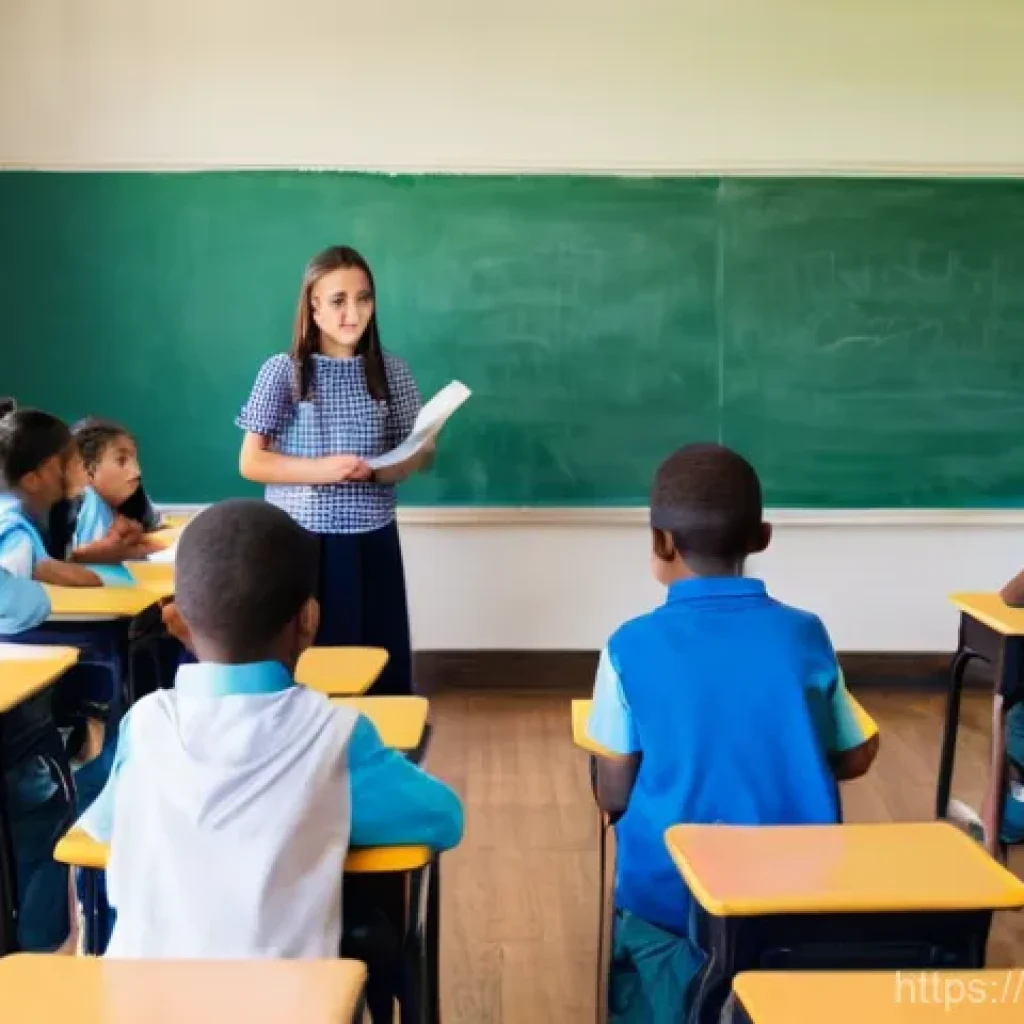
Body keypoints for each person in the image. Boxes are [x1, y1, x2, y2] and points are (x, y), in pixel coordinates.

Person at [76, 498, 462, 1011]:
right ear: (309, 620)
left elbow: (101, 827)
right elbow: (442, 818)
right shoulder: (335, 735)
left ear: (175, 622)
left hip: (140, 1007)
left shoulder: (145, 726)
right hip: (284, 1008)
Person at [586, 443, 879, 1023]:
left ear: (660, 542)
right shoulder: (804, 635)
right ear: (763, 537)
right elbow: (854, 755)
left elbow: (614, 792)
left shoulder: (628, 645)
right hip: (796, 899)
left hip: (665, 899)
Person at [237, 245, 431, 696]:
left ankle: (376, 756)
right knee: (309, 670)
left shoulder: (392, 372)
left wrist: (399, 461)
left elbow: (410, 458)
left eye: (363, 299)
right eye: (339, 300)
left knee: (374, 666)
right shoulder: (283, 371)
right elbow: (251, 462)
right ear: (314, 306)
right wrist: (324, 469)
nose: (353, 312)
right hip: (302, 544)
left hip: (371, 541)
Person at [67, 417, 163, 563]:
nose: (137, 471)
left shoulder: (136, 500)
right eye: (121, 461)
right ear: (87, 469)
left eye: (135, 459)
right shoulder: (71, 501)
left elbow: (155, 528)